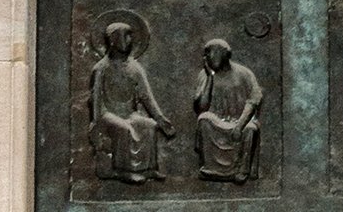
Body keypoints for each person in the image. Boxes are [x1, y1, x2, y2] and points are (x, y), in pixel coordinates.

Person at [88, 21, 175, 184]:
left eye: (130, 36)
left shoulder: (135, 68)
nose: (129, 40)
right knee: (124, 129)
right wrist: (96, 123)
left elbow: (146, 96)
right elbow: (96, 99)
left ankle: (148, 169)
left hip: (129, 113)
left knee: (149, 125)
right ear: (113, 40)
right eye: (125, 36)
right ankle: (122, 170)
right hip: (107, 115)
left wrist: (160, 119)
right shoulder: (101, 68)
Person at [193, 38, 263, 183]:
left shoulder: (244, 73)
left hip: (240, 121)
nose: (206, 57)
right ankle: (211, 169)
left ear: (223, 54)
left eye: (210, 53)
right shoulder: (205, 75)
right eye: (206, 54)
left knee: (250, 128)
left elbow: (253, 100)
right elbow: (201, 107)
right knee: (204, 119)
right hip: (217, 121)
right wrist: (210, 78)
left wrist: (239, 125)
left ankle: (241, 171)